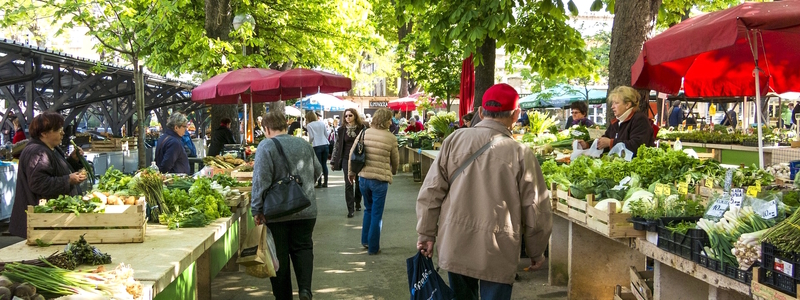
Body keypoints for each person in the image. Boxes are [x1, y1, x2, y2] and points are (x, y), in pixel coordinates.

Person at [416, 83, 552, 299]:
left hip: (456, 240)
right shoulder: (521, 153)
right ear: (516, 115)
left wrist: (426, 233)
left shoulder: (454, 140)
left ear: (480, 112)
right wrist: (536, 250)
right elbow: (536, 207)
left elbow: (431, 192)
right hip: (498, 247)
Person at [251, 112, 322, 300]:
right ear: (285, 125)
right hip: (306, 209)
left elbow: (261, 181)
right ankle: (305, 289)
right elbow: (318, 170)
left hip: (277, 212)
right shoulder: (304, 143)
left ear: (266, 129)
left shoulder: (266, 146)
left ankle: (284, 297)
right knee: (304, 248)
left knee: (279, 256)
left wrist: (256, 209)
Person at [9, 112, 87, 238]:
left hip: (47, 222)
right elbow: (39, 184)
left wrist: (73, 160)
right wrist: (68, 180)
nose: (62, 133)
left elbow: (54, 170)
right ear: (44, 133)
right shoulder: (38, 152)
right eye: (58, 130)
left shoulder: (49, 148)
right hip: (40, 223)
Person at [347, 109, 398, 255]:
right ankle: (374, 247)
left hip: (363, 178)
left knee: (368, 210)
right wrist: (393, 171)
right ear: (386, 120)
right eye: (390, 119)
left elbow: (352, 153)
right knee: (376, 213)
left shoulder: (364, 133)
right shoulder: (391, 138)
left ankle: (365, 241)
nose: (391, 122)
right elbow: (395, 159)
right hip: (380, 181)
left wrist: (351, 172)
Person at [578, 86, 655, 155]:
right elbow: (604, 140)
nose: (612, 107)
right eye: (612, 103)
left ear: (627, 105)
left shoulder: (639, 120)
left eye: (616, 103)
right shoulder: (617, 122)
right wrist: (587, 145)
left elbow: (637, 145)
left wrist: (611, 143)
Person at [330, 108, 366, 217]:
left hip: (359, 158)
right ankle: (350, 209)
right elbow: (337, 145)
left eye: (350, 115)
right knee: (348, 183)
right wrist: (333, 161)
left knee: (359, 183)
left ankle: (357, 201)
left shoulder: (362, 128)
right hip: (346, 159)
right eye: (346, 116)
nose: (348, 118)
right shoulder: (342, 130)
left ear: (355, 116)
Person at [305, 111, 330, 188]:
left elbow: (311, 137)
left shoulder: (309, 125)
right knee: (324, 164)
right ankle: (325, 182)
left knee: (318, 165)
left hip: (317, 145)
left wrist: (309, 143)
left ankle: (319, 183)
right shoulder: (321, 123)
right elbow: (326, 134)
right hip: (325, 144)